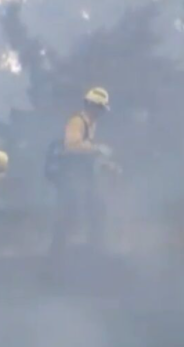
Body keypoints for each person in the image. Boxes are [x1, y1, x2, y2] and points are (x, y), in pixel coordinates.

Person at [48, 87, 118, 254]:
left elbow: (88, 154)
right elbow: (72, 145)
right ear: (91, 105)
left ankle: (95, 246)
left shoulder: (91, 123)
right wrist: (97, 149)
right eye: (99, 108)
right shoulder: (77, 122)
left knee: (95, 208)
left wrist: (108, 164)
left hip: (81, 176)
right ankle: (57, 252)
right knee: (69, 212)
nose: (100, 112)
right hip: (70, 176)